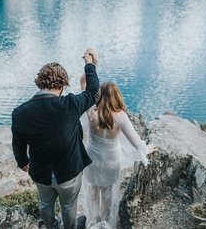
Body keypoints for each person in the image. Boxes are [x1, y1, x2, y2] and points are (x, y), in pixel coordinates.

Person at [12, 48, 99, 229]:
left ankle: (51, 226)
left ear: (40, 83)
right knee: (68, 206)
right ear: (62, 85)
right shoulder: (70, 105)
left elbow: (18, 142)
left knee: (45, 204)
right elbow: (93, 93)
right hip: (69, 172)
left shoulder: (20, 112)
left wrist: (22, 161)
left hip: (40, 173)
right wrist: (90, 64)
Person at [80, 78, 156, 227]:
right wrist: (146, 149)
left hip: (92, 158)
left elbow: (84, 91)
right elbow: (136, 142)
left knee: (93, 191)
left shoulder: (91, 111)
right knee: (107, 194)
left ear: (99, 96)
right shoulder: (120, 116)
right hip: (111, 161)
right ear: (117, 96)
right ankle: (104, 223)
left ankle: (93, 222)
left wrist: (86, 74)